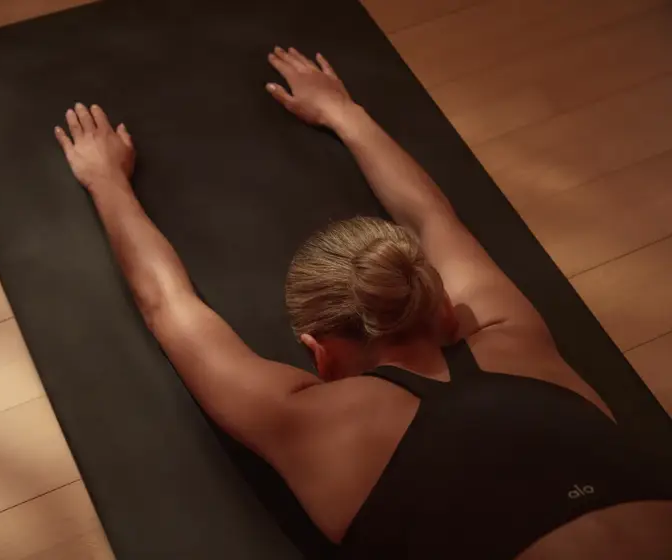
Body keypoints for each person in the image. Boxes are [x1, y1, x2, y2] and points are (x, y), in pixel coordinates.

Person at [54, 47, 672, 559]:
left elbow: (169, 306)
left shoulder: (309, 422)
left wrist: (106, 181)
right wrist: (344, 113)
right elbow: (431, 218)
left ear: (320, 356)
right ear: (447, 311)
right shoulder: (515, 335)